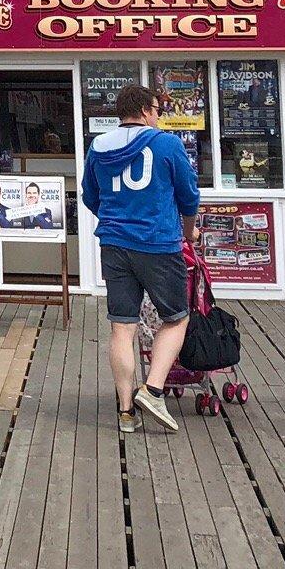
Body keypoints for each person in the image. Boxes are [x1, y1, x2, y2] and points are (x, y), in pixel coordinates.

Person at [81, 83, 200, 433]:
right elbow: (189, 196)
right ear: (147, 111)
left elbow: (90, 195)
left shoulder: (98, 147)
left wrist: (115, 216)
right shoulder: (166, 143)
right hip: (158, 244)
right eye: (157, 110)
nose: (159, 116)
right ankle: (153, 390)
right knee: (177, 319)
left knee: (122, 327)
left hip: (114, 244)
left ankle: (125, 412)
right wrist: (187, 230)